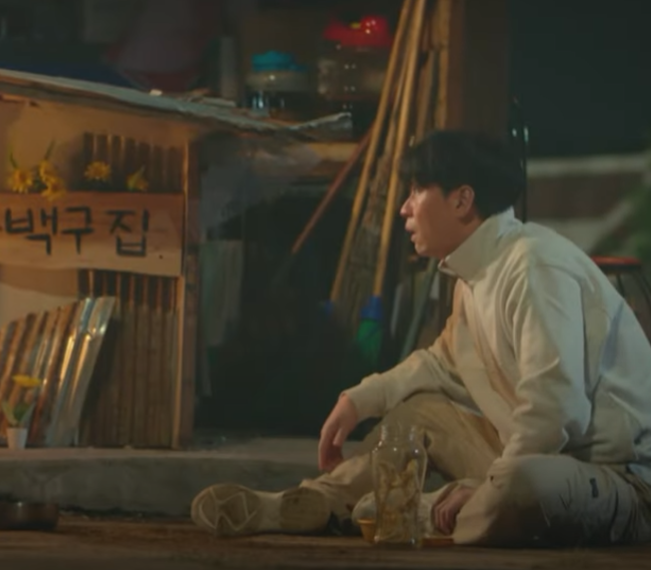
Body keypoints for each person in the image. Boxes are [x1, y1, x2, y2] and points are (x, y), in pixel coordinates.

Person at [190, 129, 651, 546]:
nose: (404, 208)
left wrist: (489, 482)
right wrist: (359, 399)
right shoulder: (475, 276)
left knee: (521, 487)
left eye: (416, 191)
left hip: (616, 477)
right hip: (535, 459)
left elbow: (556, 409)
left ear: (462, 200)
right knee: (417, 414)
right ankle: (309, 503)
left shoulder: (532, 266)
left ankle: (413, 512)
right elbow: (440, 363)